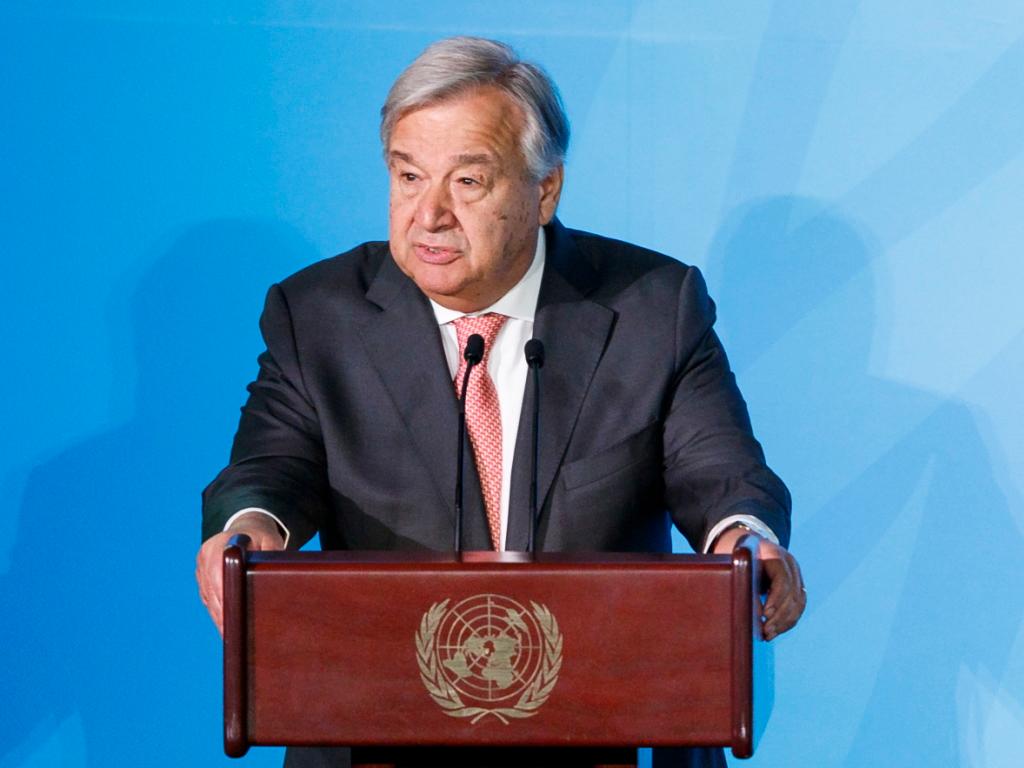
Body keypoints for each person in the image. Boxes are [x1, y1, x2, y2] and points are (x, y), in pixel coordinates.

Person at [196, 36, 806, 768]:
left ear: (544, 191)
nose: (429, 215)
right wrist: (248, 529)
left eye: (468, 182)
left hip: (614, 729)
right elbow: (270, 468)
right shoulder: (318, 316)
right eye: (408, 176)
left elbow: (720, 472)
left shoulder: (653, 308)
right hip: (378, 733)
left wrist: (745, 541)